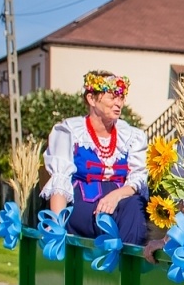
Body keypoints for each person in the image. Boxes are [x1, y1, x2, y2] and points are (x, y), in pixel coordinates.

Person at [42, 70, 149, 244]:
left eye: (121, 98)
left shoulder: (132, 136)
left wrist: (116, 195)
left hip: (120, 203)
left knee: (134, 207)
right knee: (106, 220)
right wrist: (56, 225)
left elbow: (138, 179)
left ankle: (129, 263)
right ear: (91, 99)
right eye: (112, 97)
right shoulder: (70, 131)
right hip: (84, 206)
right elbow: (59, 181)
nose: (118, 104)